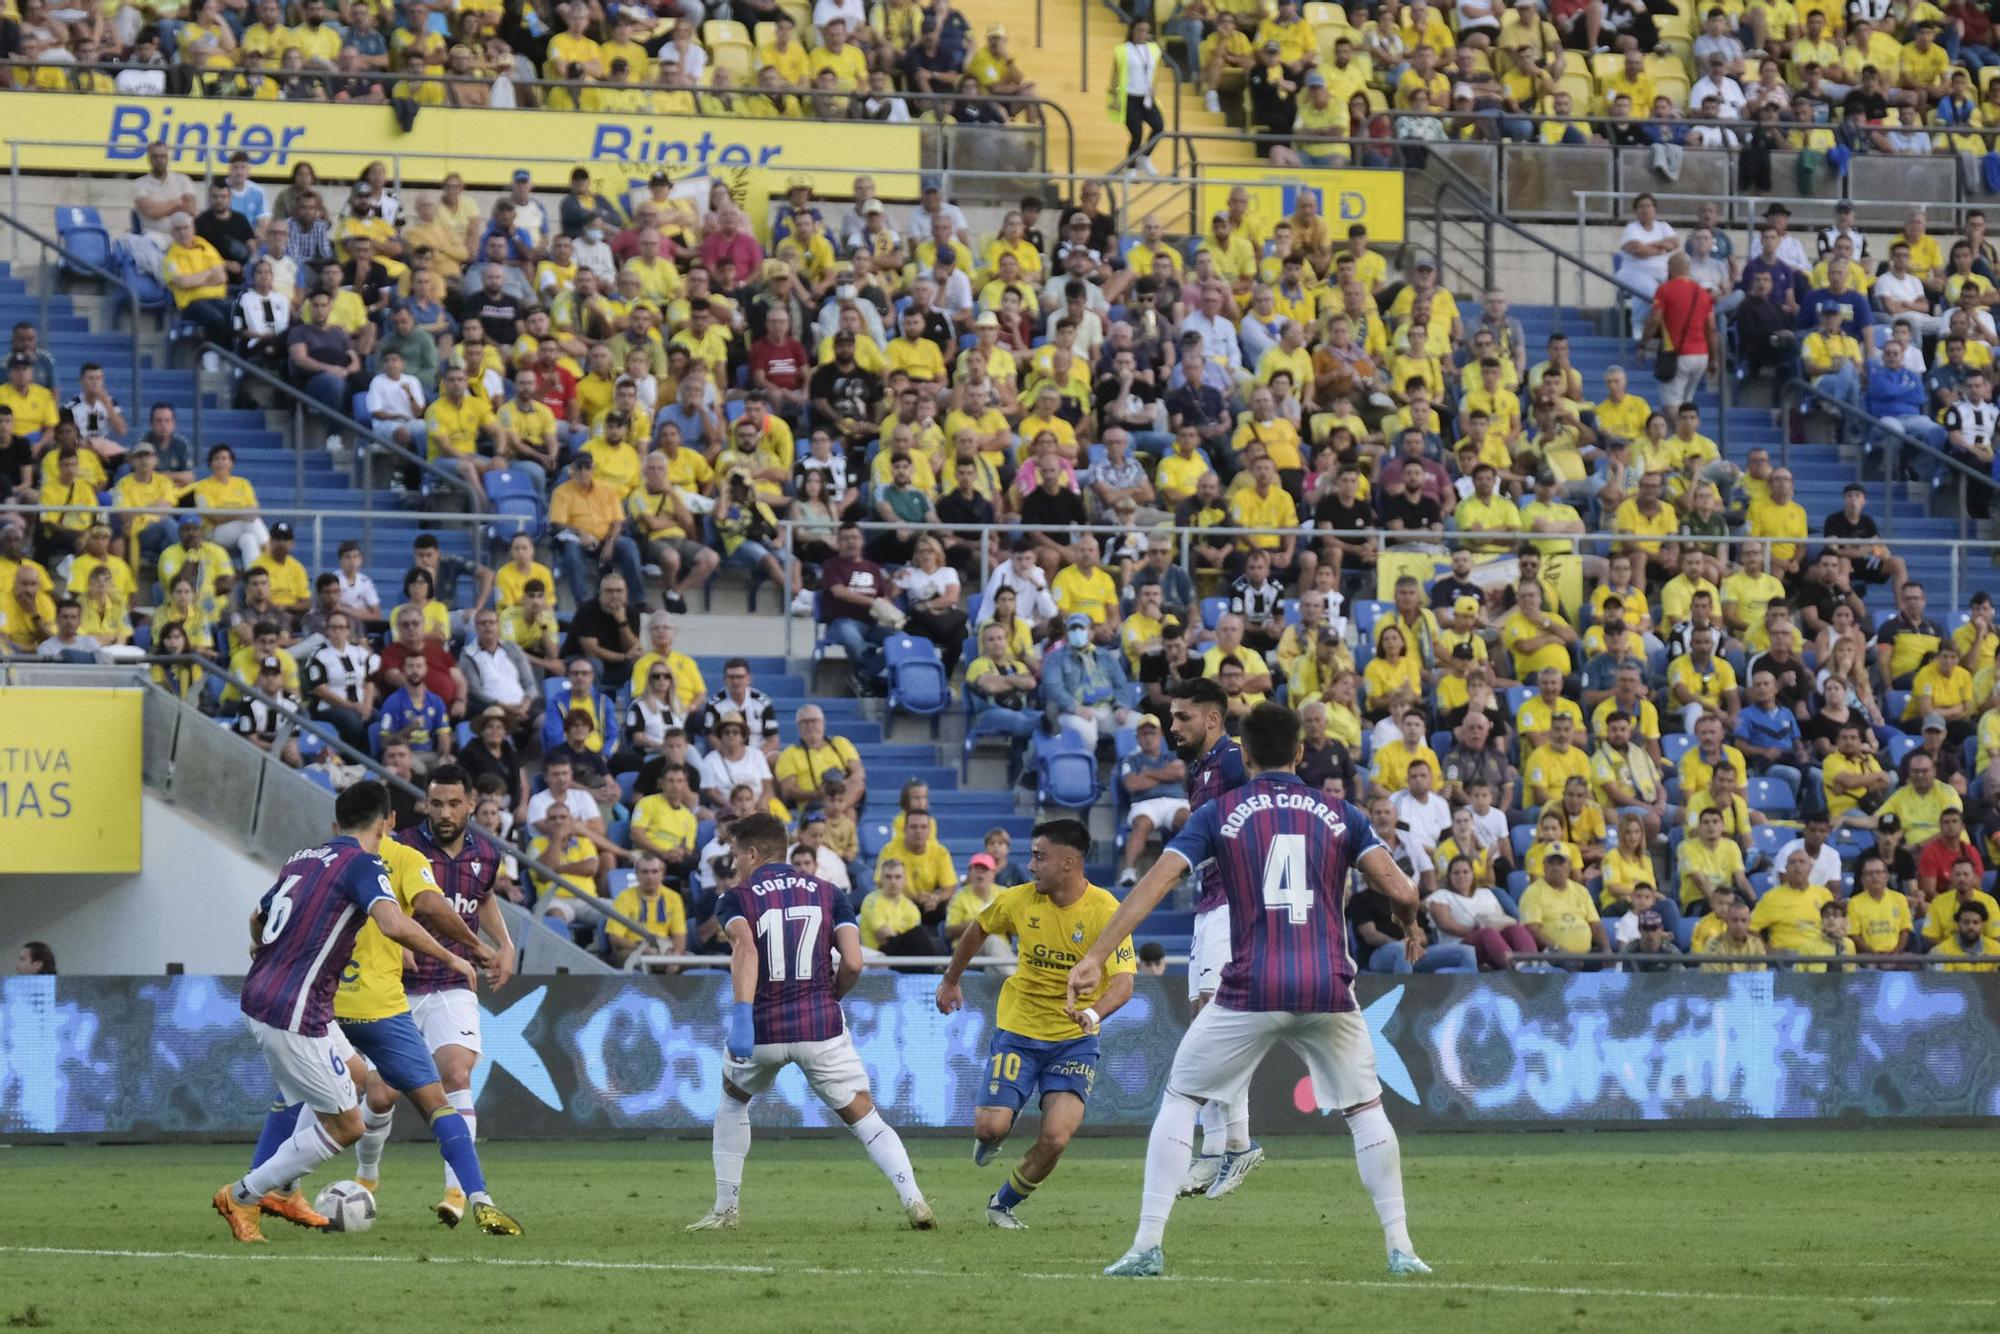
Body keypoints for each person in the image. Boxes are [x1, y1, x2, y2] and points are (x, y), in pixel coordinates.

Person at [1076, 702, 1428, 1279]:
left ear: (1246, 754)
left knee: (1182, 1099)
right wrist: (1408, 921)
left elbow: (1155, 884)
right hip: (1327, 987)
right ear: (1298, 754)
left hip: (1249, 988)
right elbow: (1401, 887)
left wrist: (1095, 955)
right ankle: (1401, 1248)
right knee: (1366, 1112)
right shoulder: (1342, 813)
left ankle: (1146, 1246)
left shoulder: (1219, 812)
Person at [214, 782, 502, 1243]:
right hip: (299, 1009)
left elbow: (257, 916)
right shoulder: (365, 862)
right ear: (387, 821)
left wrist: (259, 945)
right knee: (348, 1123)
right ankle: (245, 1195)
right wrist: (451, 957)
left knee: (352, 1077)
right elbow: (394, 921)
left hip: (267, 998)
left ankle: (284, 1190)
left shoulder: (303, 858)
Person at [688, 813, 936, 1231]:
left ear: (752, 853)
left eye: (736, 855)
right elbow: (854, 962)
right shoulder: (830, 892)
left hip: (763, 1025)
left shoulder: (737, 898)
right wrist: (832, 996)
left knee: (733, 1100)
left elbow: (745, 950)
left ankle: (725, 1210)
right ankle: (914, 1199)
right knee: (865, 1118)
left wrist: (743, 1014)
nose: (734, 863)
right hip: (820, 1024)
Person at [936, 816, 1136, 1231]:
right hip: (1020, 1030)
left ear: (1067, 863)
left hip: (1073, 1040)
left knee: (1056, 1138)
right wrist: (951, 979)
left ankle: (1001, 1205)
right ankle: (997, 1129)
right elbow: (978, 928)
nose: (1030, 866)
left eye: (1039, 857)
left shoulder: (1105, 911)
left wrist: (1093, 1014)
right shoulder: (1019, 900)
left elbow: (1123, 984)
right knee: (989, 1127)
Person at [1162, 677, 1255, 1195]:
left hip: (1236, 904)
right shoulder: (1198, 769)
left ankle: (1234, 1145)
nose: (1172, 726)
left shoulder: (1237, 762)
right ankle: (1220, 1147)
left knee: (1216, 1024)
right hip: (1209, 902)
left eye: (1182, 718)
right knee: (1203, 1023)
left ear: (1212, 719)